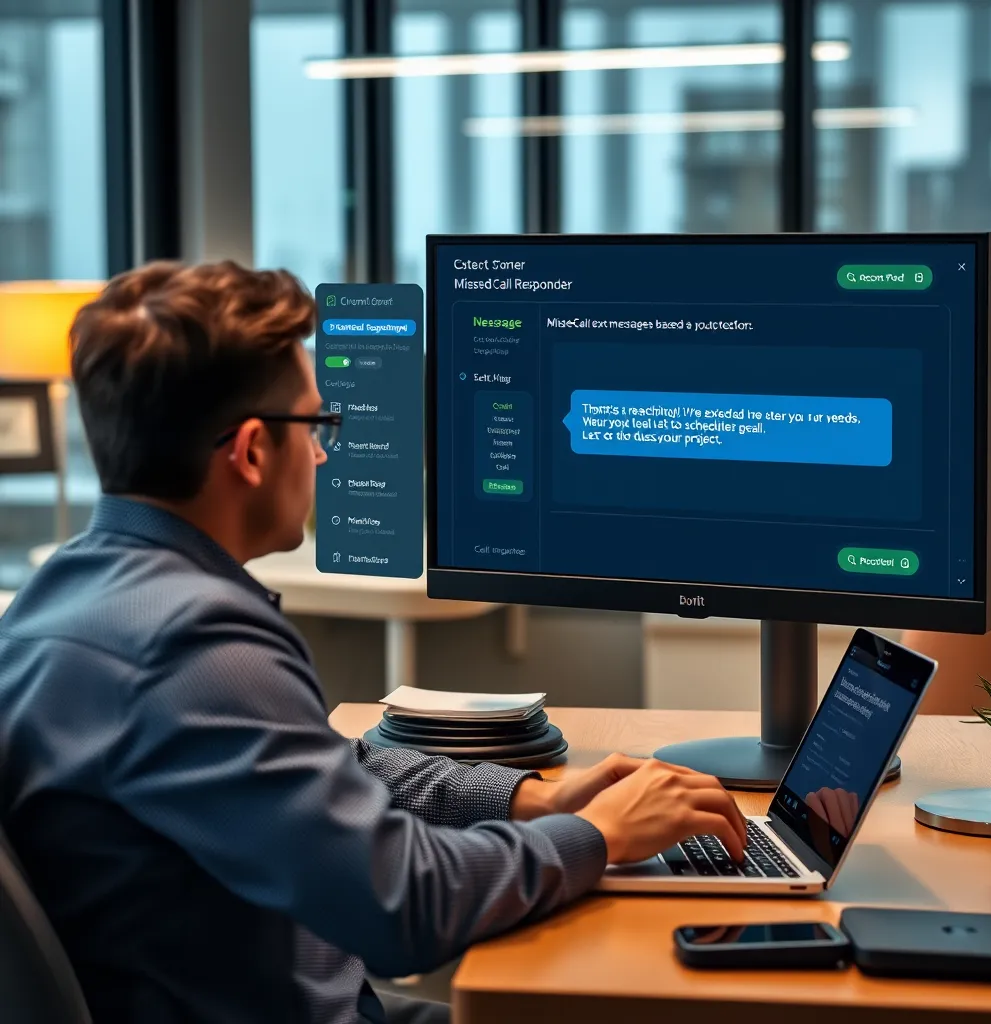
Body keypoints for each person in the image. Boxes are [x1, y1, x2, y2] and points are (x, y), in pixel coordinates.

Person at [0, 261, 746, 1024]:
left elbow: (330, 774)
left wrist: (534, 798)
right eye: (318, 426)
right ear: (253, 451)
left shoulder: (68, 592)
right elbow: (405, 907)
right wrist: (598, 835)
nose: (324, 455)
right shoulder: (194, 646)